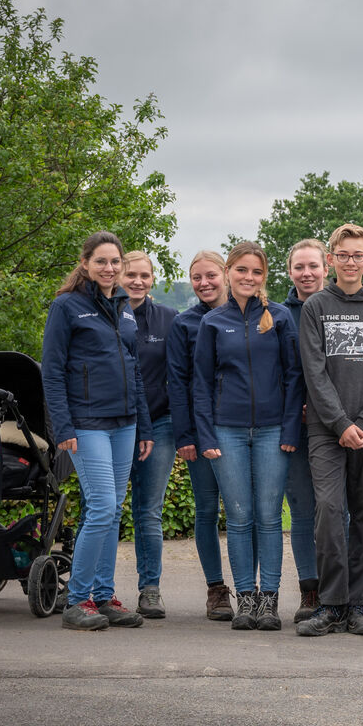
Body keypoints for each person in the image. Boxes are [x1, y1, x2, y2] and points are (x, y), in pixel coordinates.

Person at [41, 230, 153, 630]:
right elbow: (52, 373)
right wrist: (62, 427)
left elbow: (134, 369)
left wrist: (144, 426)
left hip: (125, 424)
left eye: (115, 262)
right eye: (102, 261)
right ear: (85, 263)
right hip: (86, 424)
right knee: (103, 506)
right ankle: (77, 600)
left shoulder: (124, 308)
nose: (110, 268)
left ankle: (104, 597)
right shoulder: (66, 306)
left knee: (109, 510)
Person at [295, 223, 363, 638]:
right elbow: (314, 371)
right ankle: (331, 603)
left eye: (359, 255)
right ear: (331, 259)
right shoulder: (316, 307)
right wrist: (341, 424)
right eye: (344, 255)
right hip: (326, 430)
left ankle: (358, 604)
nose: (351, 262)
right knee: (329, 511)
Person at [193, 241, 302, 630]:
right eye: (241, 271)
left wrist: (291, 427)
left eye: (256, 272)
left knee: (270, 517)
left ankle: (270, 601)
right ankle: (247, 600)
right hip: (227, 431)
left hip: (274, 431)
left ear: (264, 277)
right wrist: (206, 436)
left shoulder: (281, 317)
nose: (248, 278)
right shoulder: (212, 322)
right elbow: (201, 384)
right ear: (229, 273)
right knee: (238, 517)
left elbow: (294, 376)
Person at [167, 250, 232, 620]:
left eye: (211, 275)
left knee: (246, 513)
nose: (204, 283)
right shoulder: (184, 324)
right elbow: (178, 383)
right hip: (200, 431)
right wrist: (185, 435)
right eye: (197, 278)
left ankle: (255, 589)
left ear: (224, 274)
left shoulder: (250, 315)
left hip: (241, 428)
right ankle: (216, 589)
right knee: (207, 510)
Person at [121, 249, 177, 619]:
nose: (137, 281)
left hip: (159, 425)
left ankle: (150, 589)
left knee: (149, 511)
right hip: (116, 425)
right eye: (131, 275)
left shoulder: (169, 320)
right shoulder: (107, 316)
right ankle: (92, 587)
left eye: (144, 275)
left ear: (152, 279)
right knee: (103, 510)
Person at [282, 238, 327, 621]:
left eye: (313, 266)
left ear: (325, 269)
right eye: (300, 267)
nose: (307, 273)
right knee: (302, 512)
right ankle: (309, 591)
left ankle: (336, 589)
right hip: (294, 427)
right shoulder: (278, 315)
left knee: (336, 512)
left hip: (334, 427)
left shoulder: (339, 309)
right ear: (290, 271)